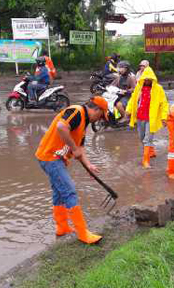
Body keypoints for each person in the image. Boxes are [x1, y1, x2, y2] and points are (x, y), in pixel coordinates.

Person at [35, 96, 109, 244]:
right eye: (101, 115)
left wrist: (89, 165)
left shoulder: (84, 122)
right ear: (96, 110)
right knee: (69, 191)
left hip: (55, 159)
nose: (100, 119)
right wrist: (73, 149)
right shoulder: (76, 111)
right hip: (50, 157)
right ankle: (83, 234)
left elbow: (80, 148)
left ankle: (62, 228)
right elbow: (61, 127)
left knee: (59, 193)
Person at [126, 66, 168, 168]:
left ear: (153, 79)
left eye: (150, 79)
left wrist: (164, 117)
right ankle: (151, 152)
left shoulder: (158, 89)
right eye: (146, 78)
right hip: (140, 117)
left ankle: (145, 161)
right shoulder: (138, 88)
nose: (148, 80)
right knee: (141, 137)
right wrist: (129, 110)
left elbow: (164, 103)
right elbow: (133, 99)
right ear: (143, 78)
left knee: (147, 139)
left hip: (151, 119)